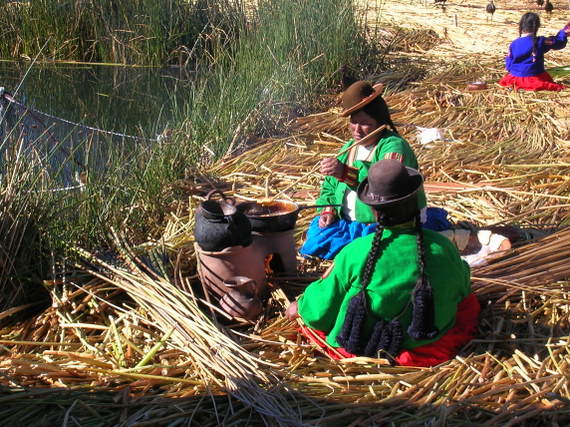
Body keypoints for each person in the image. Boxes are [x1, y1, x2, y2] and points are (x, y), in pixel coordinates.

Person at [287, 160, 480, 367]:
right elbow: (461, 289)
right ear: (416, 202)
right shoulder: (443, 246)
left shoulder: (355, 252)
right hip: (429, 340)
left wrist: (300, 305)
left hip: (364, 344)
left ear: (373, 210)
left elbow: (321, 312)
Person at [299, 80, 450, 260]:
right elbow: (329, 187)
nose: (357, 130)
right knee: (316, 237)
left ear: (380, 122)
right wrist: (328, 210)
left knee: (373, 250)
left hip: (384, 223)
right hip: (348, 223)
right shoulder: (349, 149)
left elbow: (385, 189)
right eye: (353, 123)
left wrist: (345, 173)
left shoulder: (393, 147)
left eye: (365, 123)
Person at [499, 12, 570, 91]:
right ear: (537, 26)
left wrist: (517, 71)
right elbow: (558, 43)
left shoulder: (514, 44)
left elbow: (509, 65)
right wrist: (564, 32)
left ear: (521, 26)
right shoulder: (540, 41)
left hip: (515, 79)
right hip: (534, 79)